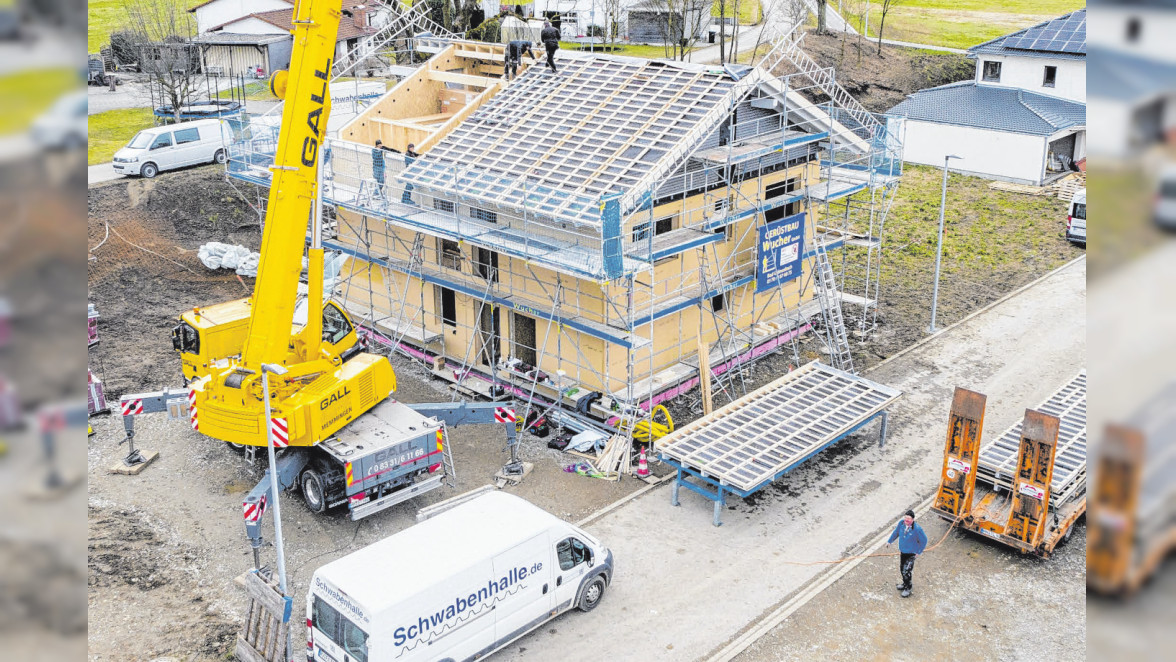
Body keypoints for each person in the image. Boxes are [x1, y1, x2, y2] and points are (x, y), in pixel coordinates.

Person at [886, 509, 928, 598]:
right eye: (905, 518)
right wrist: (889, 541)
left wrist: (918, 552)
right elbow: (896, 532)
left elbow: (924, 540)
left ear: (913, 520)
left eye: (908, 519)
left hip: (911, 554)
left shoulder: (917, 529)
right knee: (902, 569)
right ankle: (904, 584)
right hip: (903, 552)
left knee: (907, 571)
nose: (906, 520)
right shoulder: (901, 523)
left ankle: (908, 588)